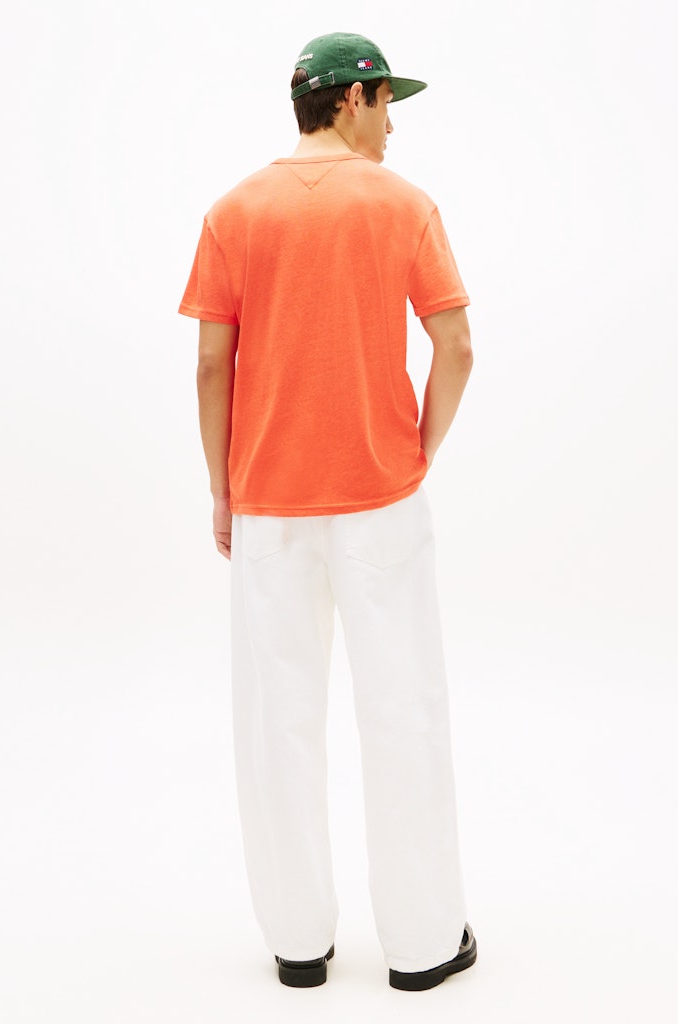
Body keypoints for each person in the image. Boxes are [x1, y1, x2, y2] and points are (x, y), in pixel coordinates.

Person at [178, 31, 476, 991]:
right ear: (354, 99)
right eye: (388, 106)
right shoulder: (402, 204)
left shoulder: (234, 211)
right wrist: (419, 451)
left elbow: (212, 364)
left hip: (269, 504)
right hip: (381, 498)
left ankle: (299, 944)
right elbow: (456, 346)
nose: (392, 129)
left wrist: (223, 489)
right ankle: (424, 947)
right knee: (405, 710)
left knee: (279, 720)